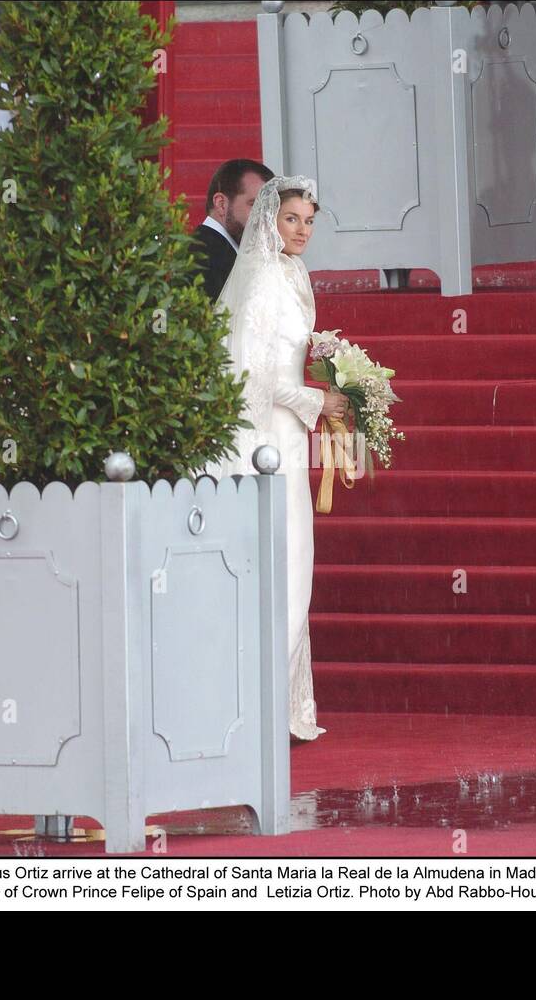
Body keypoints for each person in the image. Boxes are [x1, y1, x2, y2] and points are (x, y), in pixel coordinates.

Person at [202, 175, 349, 742]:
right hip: (264, 439)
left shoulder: (295, 272)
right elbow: (251, 376)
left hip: (290, 434)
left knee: (294, 564)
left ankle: (281, 706)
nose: (302, 230)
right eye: (292, 219)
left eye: (310, 220)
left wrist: (339, 369)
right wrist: (319, 397)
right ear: (269, 218)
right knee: (280, 563)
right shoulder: (261, 277)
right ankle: (251, 705)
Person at [192, 159, 273, 301]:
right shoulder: (206, 261)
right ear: (221, 204)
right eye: (255, 204)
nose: (265, 217)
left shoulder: (211, 251)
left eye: (270, 207)